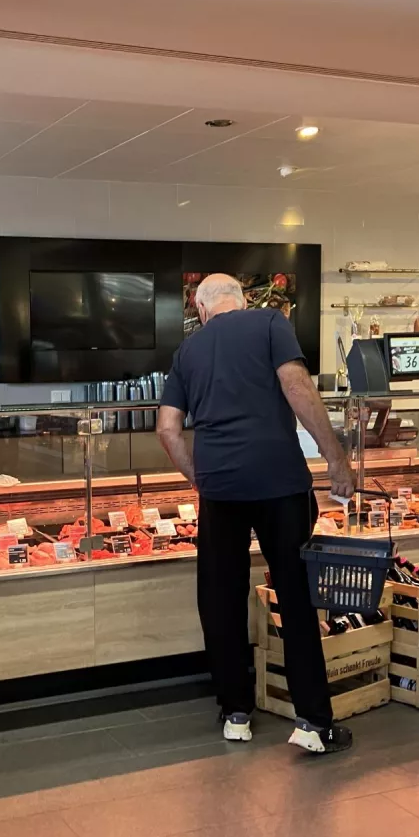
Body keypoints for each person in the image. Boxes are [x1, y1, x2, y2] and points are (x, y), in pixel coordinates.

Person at [156, 273, 355, 755]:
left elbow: (167, 429)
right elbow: (297, 387)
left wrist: (201, 479)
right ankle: (312, 722)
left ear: (201, 310)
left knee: (220, 599)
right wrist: (336, 458)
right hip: (280, 483)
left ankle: (236, 713)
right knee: (295, 597)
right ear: (241, 301)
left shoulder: (189, 351)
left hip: (221, 490)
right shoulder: (270, 323)